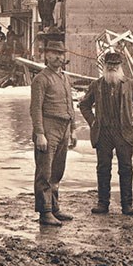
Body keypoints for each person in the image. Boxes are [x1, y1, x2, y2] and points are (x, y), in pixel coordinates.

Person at [78, 51, 133, 216]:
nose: (112, 68)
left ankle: (127, 205)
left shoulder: (129, 84)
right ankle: (103, 203)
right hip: (103, 132)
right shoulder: (97, 85)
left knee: (126, 168)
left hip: (123, 131)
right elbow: (84, 105)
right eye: (109, 65)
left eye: (115, 65)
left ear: (120, 67)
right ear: (105, 67)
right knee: (103, 168)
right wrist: (93, 121)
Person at [30, 41, 77, 226]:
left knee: (57, 170)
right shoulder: (41, 79)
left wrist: (73, 129)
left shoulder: (65, 78)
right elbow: (35, 109)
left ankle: (55, 208)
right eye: (54, 53)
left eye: (61, 53)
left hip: (64, 127)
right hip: (48, 128)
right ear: (46, 56)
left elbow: (70, 105)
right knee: (45, 171)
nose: (58, 57)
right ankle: (45, 212)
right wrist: (39, 133)